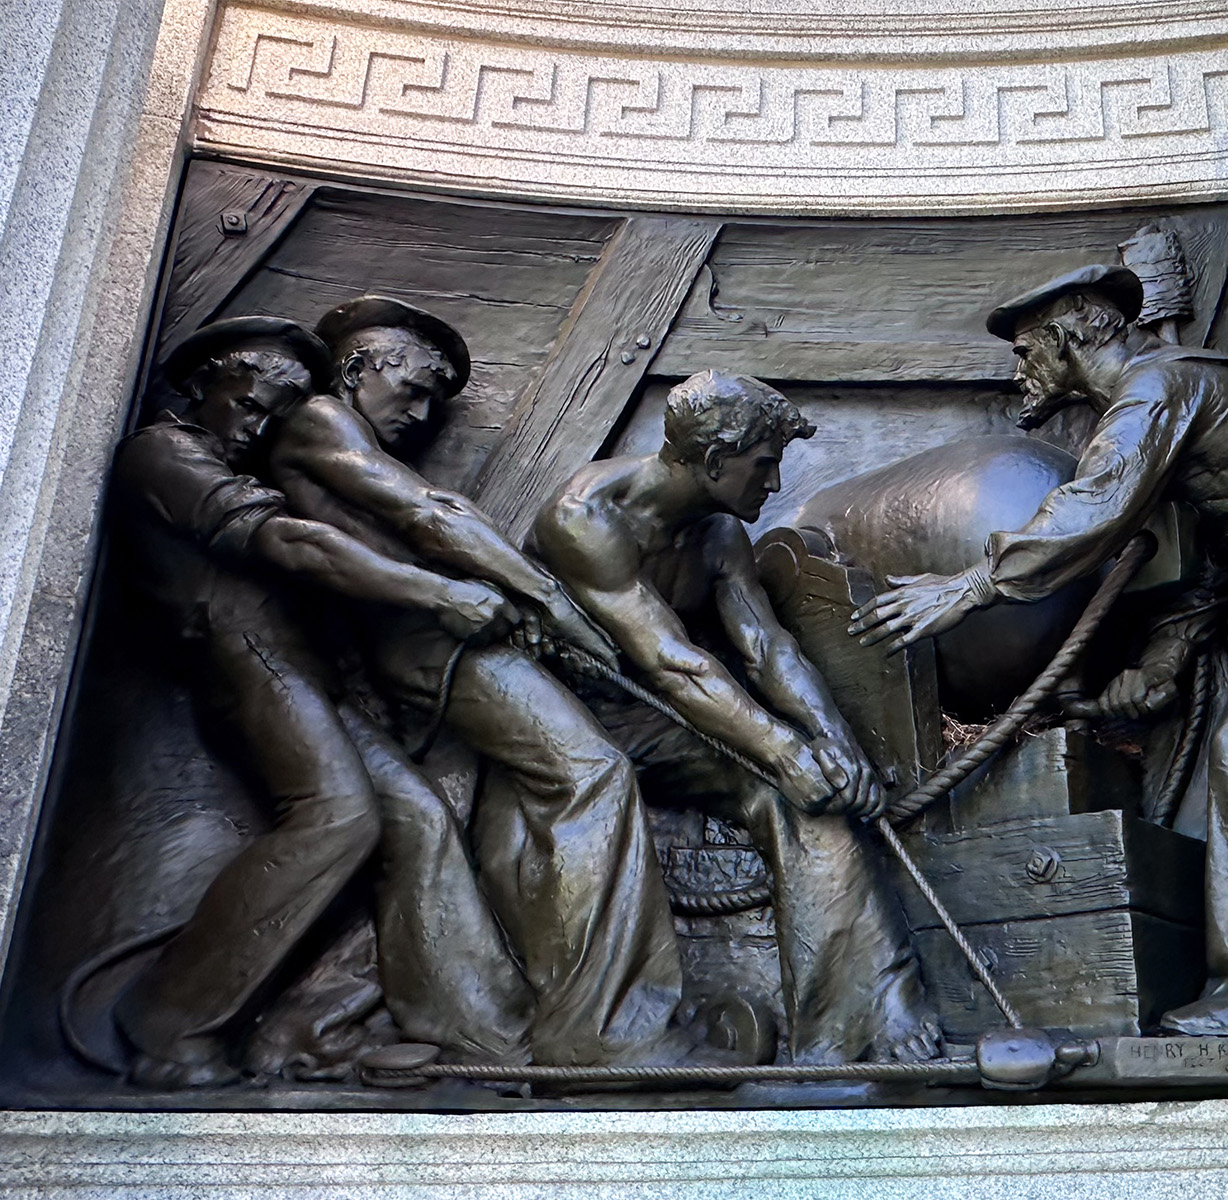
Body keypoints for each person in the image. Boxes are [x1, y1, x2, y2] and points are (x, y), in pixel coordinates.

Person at [852, 265, 1228, 1040]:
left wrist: (972, 584)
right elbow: (1226, 545)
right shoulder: (1178, 388)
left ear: (1076, 333)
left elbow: (1097, 503)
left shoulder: (1153, 389)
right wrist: (1169, 658)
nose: (1022, 371)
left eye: (1027, 350)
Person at [106, 318, 530, 1085]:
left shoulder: (226, 457)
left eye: (279, 414)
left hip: (299, 673)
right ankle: (172, 1021)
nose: (261, 428)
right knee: (339, 815)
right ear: (206, 382)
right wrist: (435, 592)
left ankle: (449, 1029)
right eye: (252, 403)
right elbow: (293, 546)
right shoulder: (164, 454)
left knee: (420, 822)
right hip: (246, 668)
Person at [266, 296, 672, 1067]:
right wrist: (548, 598)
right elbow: (433, 511)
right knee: (593, 773)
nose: (422, 415)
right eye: (414, 389)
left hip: (429, 645)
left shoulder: (344, 436)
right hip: (421, 646)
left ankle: (521, 1017)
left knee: (479, 815)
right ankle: (608, 1029)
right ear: (357, 368)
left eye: (434, 401)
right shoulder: (319, 418)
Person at [531, 371, 936, 1065]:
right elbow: (672, 663)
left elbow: (768, 648)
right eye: (765, 465)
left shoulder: (717, 533)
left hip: (667, 717)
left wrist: (833, 745)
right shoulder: (586, 518)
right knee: (785, 770)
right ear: (716, 461)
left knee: (810, 798)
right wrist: (783, 747)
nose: (775, 485)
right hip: (571, 720)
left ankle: (851, 1024)